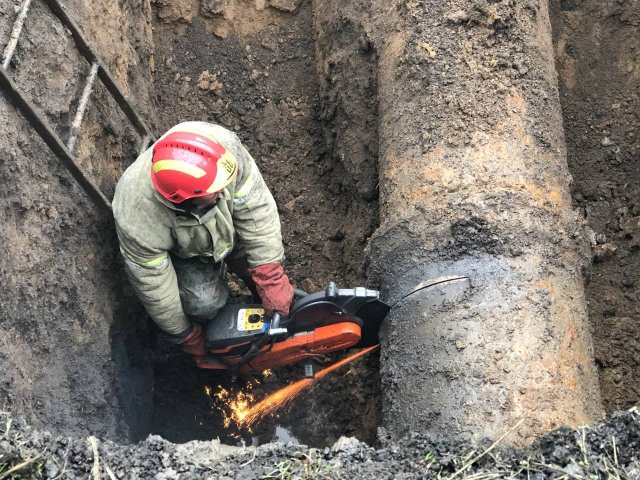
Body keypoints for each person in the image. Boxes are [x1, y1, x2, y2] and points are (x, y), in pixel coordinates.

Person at [112, 121, 294, 361]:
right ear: (186, 200)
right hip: (186, 252)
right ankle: (219, 324)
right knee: (204, 304)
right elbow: (153, 285)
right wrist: (184, 334)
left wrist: (269, 275)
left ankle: (262, 297)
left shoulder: (222, 148)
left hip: (227, 225)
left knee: (258, 262)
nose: (223, 188)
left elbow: (256, 209)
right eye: (216, 189)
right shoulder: (138, 218)